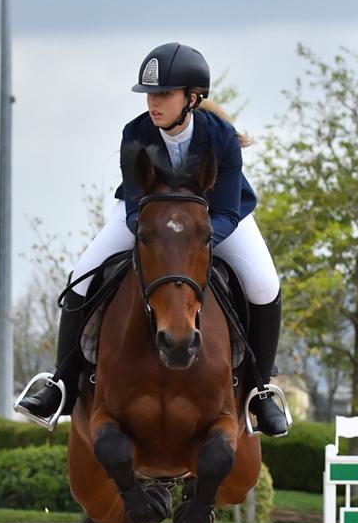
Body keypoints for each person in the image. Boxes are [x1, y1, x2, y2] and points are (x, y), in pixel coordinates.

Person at [16, 42, 291, 437]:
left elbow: (228, 210)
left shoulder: (222, 138)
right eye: (150, 94)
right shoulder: (135, 135)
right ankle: (61, 382)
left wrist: (195, 243)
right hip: (148, 219)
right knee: (83, 273)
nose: (153, 103)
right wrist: (163, 237)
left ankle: (260, 391)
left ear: (192, 98)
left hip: (217, 219)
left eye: (163, 93)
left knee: (264, 284)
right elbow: (133, 209)